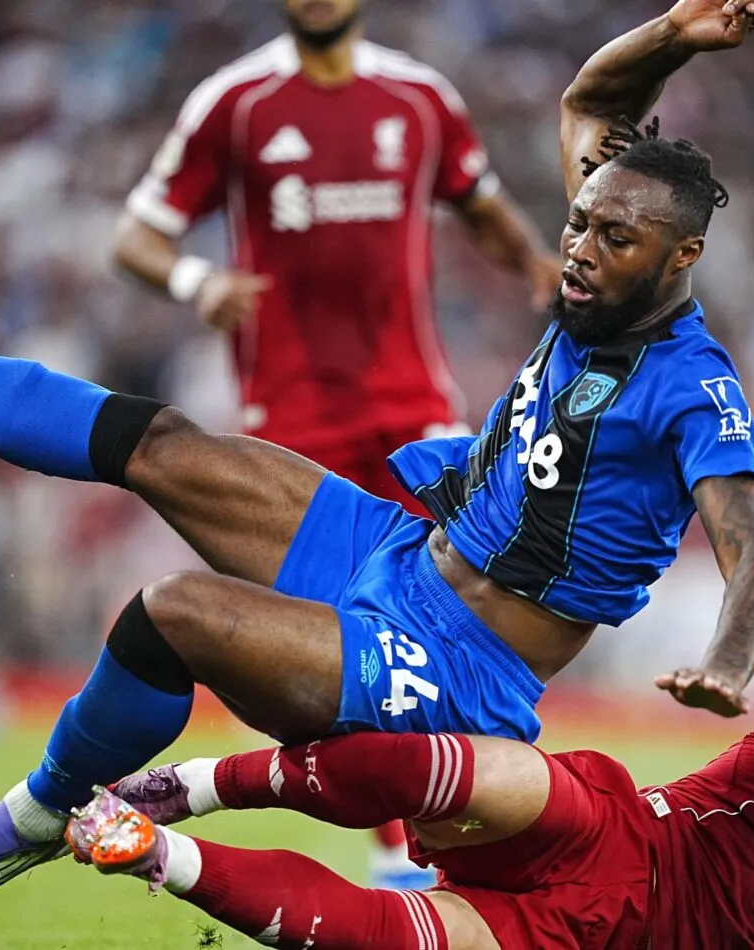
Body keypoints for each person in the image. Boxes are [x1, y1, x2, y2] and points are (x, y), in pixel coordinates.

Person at [0, 0, 754, 906]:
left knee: (172, 612)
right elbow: (592, 102)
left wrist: (727, 664)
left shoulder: (692, 389)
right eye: (576, 222)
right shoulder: (599, 269)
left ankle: (40, 810)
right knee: (166, 443)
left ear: (680, 256)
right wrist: (674, 31)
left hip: (456, 668)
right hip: (398, 552)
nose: (578, 249)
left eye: (612, 238)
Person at [113, 0, 563, 882]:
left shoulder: (420, 99)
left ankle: (459, 837)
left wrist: (536, 265)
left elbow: (481, 203)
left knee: (458, 622)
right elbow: (136, 236)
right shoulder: (237, 102)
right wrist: (197, 280)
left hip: (413, 411)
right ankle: (397, 843)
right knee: (330, 646)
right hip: (290, 423)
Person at [69, 627, 754, 950]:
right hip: (623, 836)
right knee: (469, 767)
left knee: (398, 940)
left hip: (602, 941)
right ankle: (194, 784)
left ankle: (151, 848)